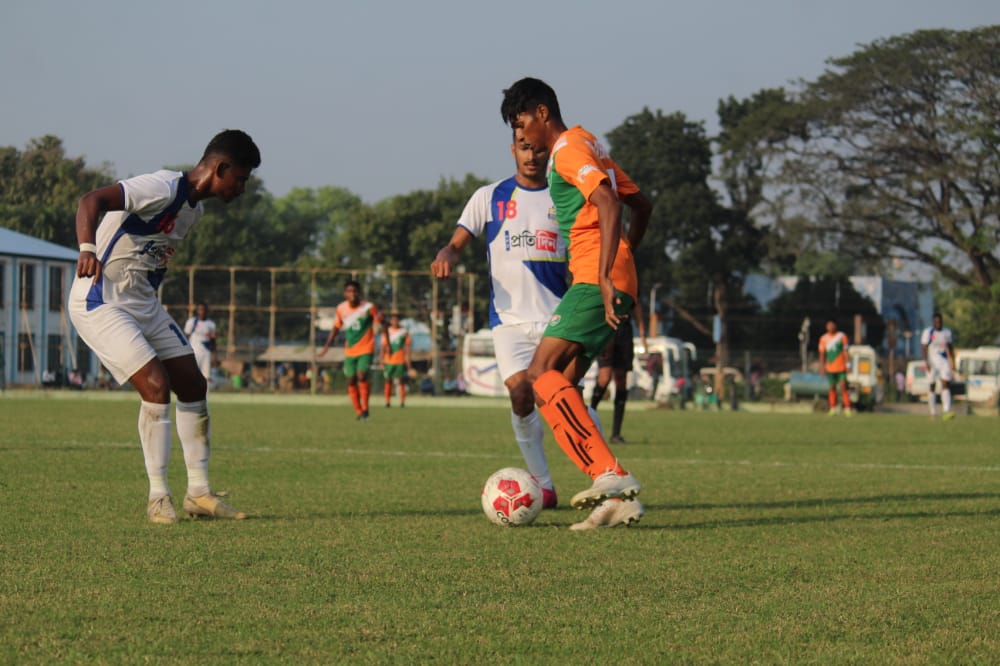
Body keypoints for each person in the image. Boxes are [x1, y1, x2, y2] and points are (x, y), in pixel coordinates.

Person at [68, 129, 260, 524]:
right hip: (100, 299)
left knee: (193, 383)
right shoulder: (161, 186)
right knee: (156, 386)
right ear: (220, 168)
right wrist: (88, 248)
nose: (241, 188)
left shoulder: (194, 212)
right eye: (240, 179)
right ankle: (158, 497)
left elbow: (151, 260)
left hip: (142, 304)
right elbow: (92, 200)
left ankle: (199, 494)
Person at [501, 77, 653, 530]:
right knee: (560, 385)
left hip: (594, 279)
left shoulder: (568, 149)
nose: (521, 133)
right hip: (608, 277)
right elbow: (641, 205)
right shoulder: (591, 143)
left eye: (521, 120)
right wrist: (624, 259)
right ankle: (615, 499)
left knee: (537, 375)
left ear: (542, 112)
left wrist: (606, 274)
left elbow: (608, 203)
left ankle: (610, 474)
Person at [431, 127, 572, 510]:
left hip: (557, 318)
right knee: (519, 392)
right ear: (513, 149)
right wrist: (446, 256)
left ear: (550, 153)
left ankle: (603, 475)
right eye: (524, 148)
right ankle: (543, 485)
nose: (532, 156)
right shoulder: (488, 197)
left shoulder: (566, 196)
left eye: (539, 149)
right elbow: (456, 243)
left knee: (564, 400)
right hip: (507, 320)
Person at [318, 280, 383, 421]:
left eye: (354, 291)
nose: (352, 294)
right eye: (349, 291)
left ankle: (365, 409)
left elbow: (381, 321)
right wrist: (326, 347)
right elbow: (336, 328)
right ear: (345, 293)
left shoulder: (368, 307)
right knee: (351, 380)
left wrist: (385, 341)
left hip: (366, 348)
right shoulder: (341, 309)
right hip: (350, 350)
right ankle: (359, 411)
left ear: (359, 292)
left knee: (361, 375)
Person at [590, 300, 646, 443]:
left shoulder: (631, 279)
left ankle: (616, 434)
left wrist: (642, 333)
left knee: (621, 380)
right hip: (606, 327)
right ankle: (588, 423)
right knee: (605, 377)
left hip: (624, 332)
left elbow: (636, 305)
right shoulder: (602, 278)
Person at [921, 312, 956, 420]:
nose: (938, 323)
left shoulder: (946, 332)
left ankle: (946, 411)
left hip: (943, 362)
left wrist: (952, 362)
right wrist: (926, 362)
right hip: (932, 362)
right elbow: (924, 348)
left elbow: (950, 347)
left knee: (945, 384)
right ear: (933, 322)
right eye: (936, 322)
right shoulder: (928, 332)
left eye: (940, 321)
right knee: (932, 385)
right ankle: (933, 412)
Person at [818, 318, 853, 416]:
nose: (830, 327)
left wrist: (848, 364)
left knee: (843, 387)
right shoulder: (823, 338)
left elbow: (846, 351)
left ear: (835, 325)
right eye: (828, 325)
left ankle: (847, 408)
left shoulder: (841, 336)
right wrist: (822, 367)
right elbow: (822, 354)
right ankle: (833, 408)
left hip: (841, 367)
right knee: (831, 388)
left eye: (832, 325)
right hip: (830, 368)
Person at [381, 311, 412, 407]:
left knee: (401, 380)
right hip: (388, 360)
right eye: (393, 319)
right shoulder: (387, 331)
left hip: (400, 360)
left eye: (397, 319)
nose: (395, 321)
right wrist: (381, 359)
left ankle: (402, 401)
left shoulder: (403, 332)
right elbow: (383, 347)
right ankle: (387, 401)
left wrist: (408, 359)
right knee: (388, 380)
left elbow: (407, 347)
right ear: (391, 321)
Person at [183, 302, 217, 385]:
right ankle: (188, 396)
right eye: (200, 310)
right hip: (194, 353)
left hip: (206, 353)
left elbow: (213, 342)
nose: (202, 312)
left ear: (207, 311)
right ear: (197, 311)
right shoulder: (191, 322)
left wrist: (215, 356)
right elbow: (185, 338)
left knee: (206, 377)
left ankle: (205, 397)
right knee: (191, 375)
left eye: (204, 310)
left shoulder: (211, 324)